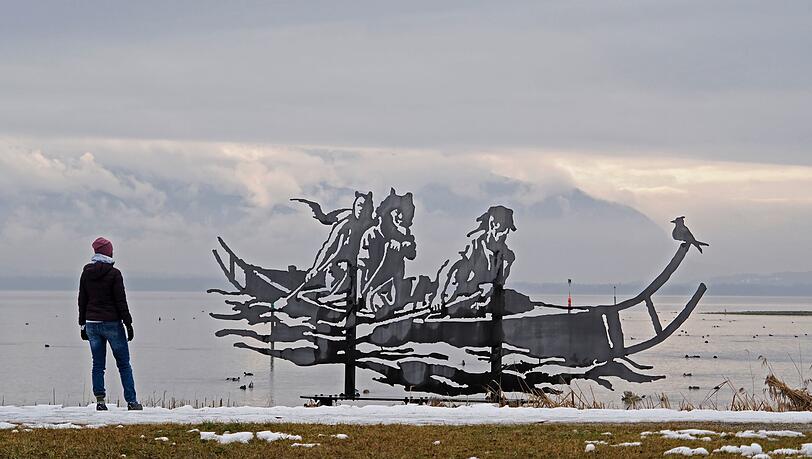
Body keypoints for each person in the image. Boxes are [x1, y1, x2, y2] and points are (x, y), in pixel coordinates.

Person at [78, 237, 142, 411]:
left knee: (98, 364)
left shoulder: (86, 273)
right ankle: (132, 401)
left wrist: (82, 324)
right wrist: (128, 324)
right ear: (108, 252)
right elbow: (121, 302)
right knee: (123, 364)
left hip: (92, 323)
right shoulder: (115, 274)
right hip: (112, 324)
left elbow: (82, 300)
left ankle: (100, 401)